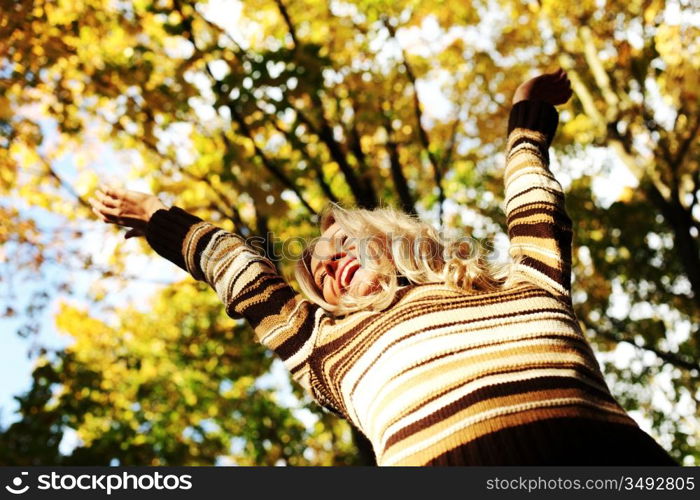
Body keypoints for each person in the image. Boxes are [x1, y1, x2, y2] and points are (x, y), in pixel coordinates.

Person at [89, 68, 679, 466]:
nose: (329, 268)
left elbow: (534, 200)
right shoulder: (325, 346)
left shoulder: (527, 282)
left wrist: (526, 117)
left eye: (343, 246)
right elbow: (237, 267)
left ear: (393, 238)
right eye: (318, 275)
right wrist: (159, 218)